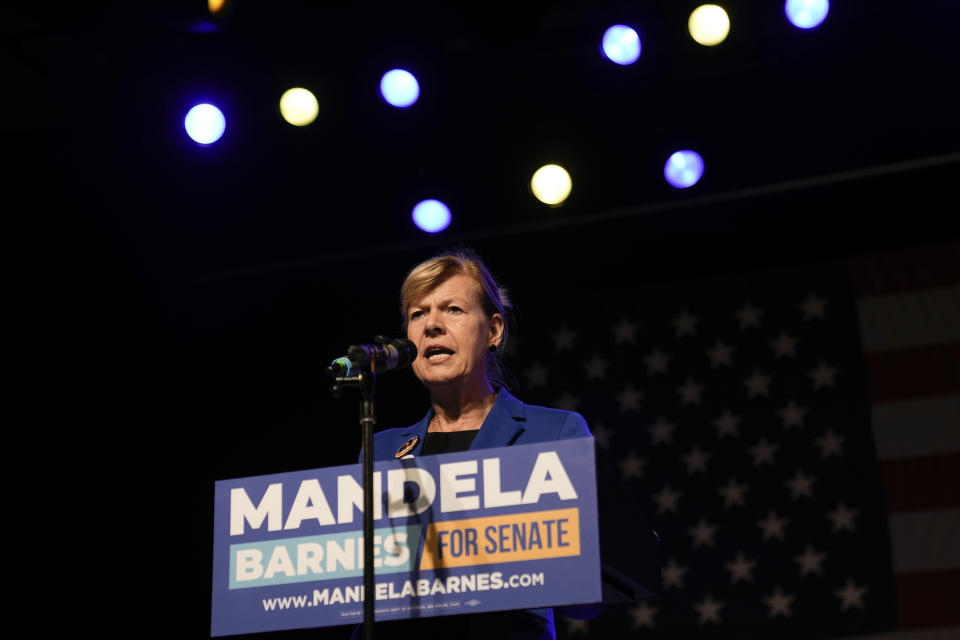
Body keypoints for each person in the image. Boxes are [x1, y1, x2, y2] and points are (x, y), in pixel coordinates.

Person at [353, 249, 602, 640]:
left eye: (452, 309)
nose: (431, 325)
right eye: (418, 314)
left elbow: (585, 598)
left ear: (494, 331)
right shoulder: (380, 451)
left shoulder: (554, 433)